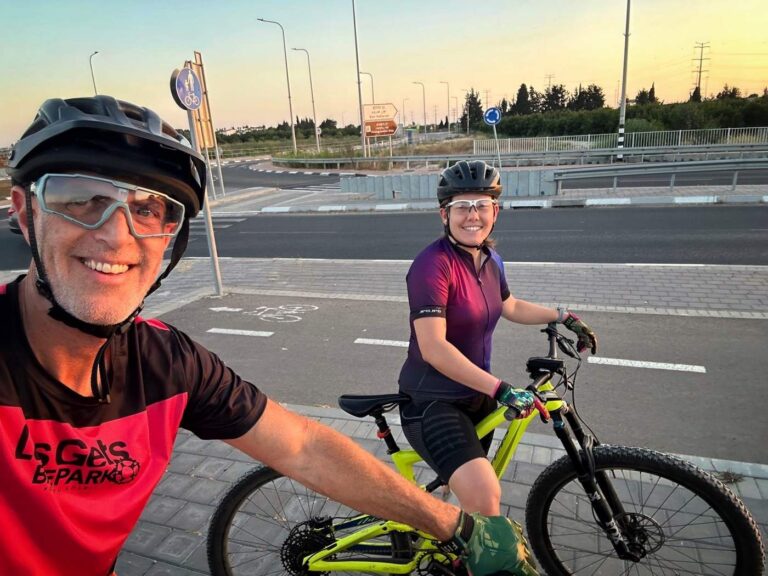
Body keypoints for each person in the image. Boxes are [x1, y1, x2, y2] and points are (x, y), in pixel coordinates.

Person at [0, 96, 538, 576]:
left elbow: (304, 447)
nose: (117, 235)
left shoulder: (166, 362)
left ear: (170, 236)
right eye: (79, 198)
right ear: (25, 214)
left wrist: (457, 527)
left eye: (148, 209)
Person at [398, 160, 598, 516]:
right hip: (433, 402)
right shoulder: (432, 265)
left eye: (482, 205)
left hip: (478, 397)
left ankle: (451, 534)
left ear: (495, 212)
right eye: (462, 206)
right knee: (486, 496)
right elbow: (433, 348)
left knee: (466, 493)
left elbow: (510, 305)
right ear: (444, 214)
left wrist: (563, 316)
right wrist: (502, 389)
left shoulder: (491, 260)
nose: (472, 215)